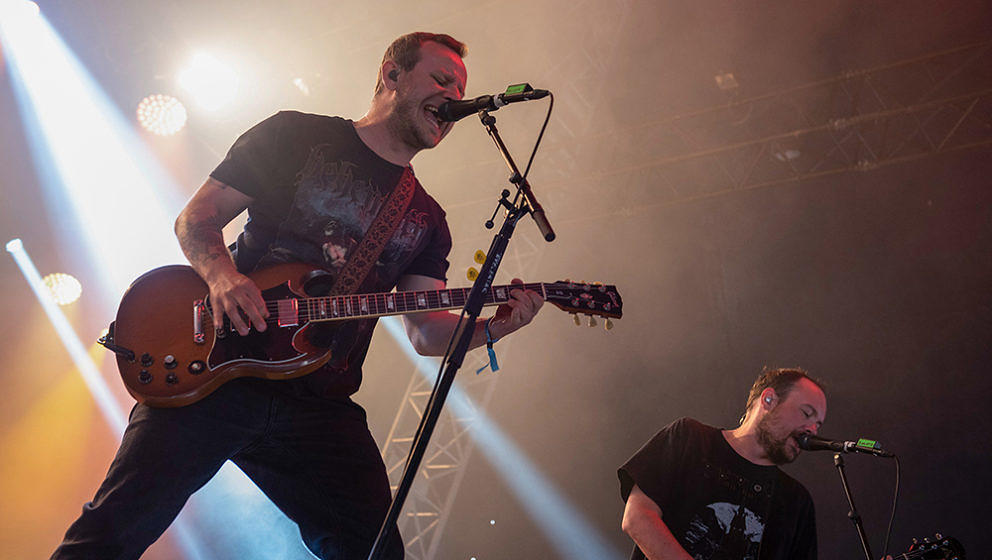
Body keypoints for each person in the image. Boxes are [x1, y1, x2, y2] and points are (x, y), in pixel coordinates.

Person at [52, 32, 544, 560]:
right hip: (219, 367)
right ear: (392, 74)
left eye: (460, 90)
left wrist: (496, 326)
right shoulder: (296, 135)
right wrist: (222, 277)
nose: (453, 98)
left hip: (318, 405)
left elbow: (427, 333)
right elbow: (197, 217)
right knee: (109, 535)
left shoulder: (427, 219)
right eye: (441, 80)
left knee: (374, 553)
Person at [618, 367, 827, 560]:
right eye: (806, 413)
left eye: (818, 425)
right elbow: (637, 518)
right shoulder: (690, 438)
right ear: (768, 399)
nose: (812, 430)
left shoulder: (796, 501)